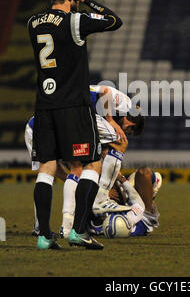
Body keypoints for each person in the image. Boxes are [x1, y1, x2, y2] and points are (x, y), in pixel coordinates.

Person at [27, 0, 122, 250]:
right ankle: (78, 230)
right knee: (92, 163)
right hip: (74, 107)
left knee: (46, 169)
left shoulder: (33, 22)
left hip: (45, 106)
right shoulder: (75, 20)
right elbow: (116, 21)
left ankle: (44, 236)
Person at [25, 84, 145, 238]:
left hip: (50, 122)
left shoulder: (107, 112)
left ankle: (51, 227)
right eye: (128, 130)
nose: (125, 131)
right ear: (131, 124)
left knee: (56, 172)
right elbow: (106, 90)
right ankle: (101, 198)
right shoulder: (125, 104)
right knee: (122, 142)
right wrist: (111, 121)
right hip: (49, 124)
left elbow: (105, 152)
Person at [89, 167, 162, 238]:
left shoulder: (91, 219)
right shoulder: (130, 217)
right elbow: (139, 205)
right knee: (144, 173)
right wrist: (122, 180)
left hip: (121, 206)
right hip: (142, 217)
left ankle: (127, 189)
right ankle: (150, 193)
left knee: (105, 174)